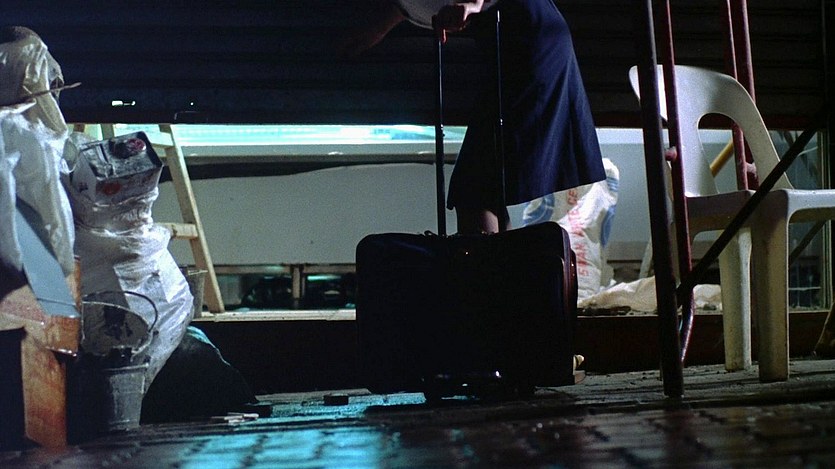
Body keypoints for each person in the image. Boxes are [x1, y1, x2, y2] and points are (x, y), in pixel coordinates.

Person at [344, 0, 605, 234]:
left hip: (527, 43)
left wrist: (474, 3)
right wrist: (369, 32)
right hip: (524, 42)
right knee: (483, 187)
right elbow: (405, 8)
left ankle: (488, 271)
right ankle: (501, 269)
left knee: (473, 189)